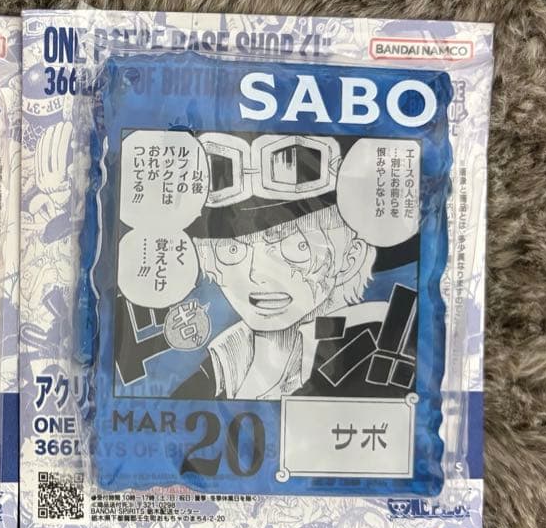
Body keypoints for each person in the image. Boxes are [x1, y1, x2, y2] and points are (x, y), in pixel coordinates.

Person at [172, 134, 415, 401]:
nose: (256, 274)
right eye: (232, 251)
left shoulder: (379, 354)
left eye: (296, 246)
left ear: (350, 258)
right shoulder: (219, 368)